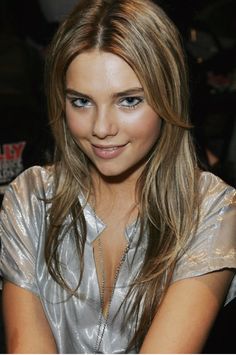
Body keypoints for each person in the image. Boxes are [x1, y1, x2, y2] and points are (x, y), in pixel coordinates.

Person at [0, 0, 236, 353]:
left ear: (167, 95)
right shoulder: (31, 198)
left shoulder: (212, 210)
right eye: (81, 101)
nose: (101, 128)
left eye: (128, 101)